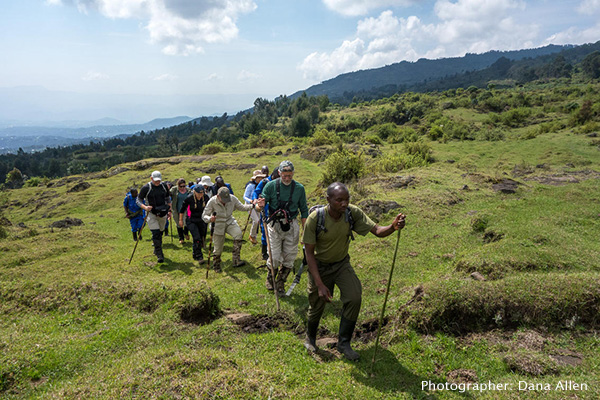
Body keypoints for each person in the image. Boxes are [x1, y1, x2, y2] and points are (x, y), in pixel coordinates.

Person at [302, 182, 406, 360]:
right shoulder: (315, 218)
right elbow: (309, 253)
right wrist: (319, 284)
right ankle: (310, 338)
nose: (344, 204)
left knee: (354, 296)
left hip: (342, 264)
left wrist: (393, 226)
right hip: (319, 266)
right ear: (328, 200)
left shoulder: (352, 213)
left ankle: (344, 343)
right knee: (317, 303)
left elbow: (377, 231)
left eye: (347, 199)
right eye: (339, 200)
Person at [260, 160, 308, 294]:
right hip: (274, 225)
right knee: (274, 256)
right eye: (284, 175)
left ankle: (281, 282)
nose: (287, 178)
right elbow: (260, 204)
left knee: (290, 257)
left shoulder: (299, 188)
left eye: (289, 175)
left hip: (292, 225)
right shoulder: (270, 186)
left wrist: (305, 231)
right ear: (279, 173)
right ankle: (271, 277)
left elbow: (304, 210)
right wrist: (260, 204)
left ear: (293, 174)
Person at [202, 187, 263, 272]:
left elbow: (242, 207)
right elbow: (204, 215)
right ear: (218, 196)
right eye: (223, 199)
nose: (225, 201)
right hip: (217, 224)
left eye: (226, 199)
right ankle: (216, 265)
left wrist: (253, 206)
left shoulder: (232, 198)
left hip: (229, 221)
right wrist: (210, 219)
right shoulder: (212, 201)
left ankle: (236, 260)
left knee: (238, 234)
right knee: (218, 248)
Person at [136, 171, 172, 263]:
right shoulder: (146, 188)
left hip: (163, 213)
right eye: (155, 180)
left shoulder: (164, 186)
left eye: (159, 180)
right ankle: (160, 255)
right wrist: (145, 207)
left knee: (160, 232)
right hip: (151, 213)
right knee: (155, 233)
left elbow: (167, 197)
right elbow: (138, 200)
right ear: (151, 178)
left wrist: (169, 208)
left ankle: (157, 248)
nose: (157, 182)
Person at [253, 167, 280, 263]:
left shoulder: (280, 183)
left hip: (276, 210)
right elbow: (256, 192)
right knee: (265, 230)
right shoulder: (264, 182)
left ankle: (275, 250)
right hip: (265, 210)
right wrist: (255, 200)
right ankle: (265, 252)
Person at [179, 185, 210, 264]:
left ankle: (195, 253)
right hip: (191, 220)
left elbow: (210, 208)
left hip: (202, 220)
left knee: (201, 236)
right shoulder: (189, 198)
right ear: (194, 192)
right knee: (197, 237)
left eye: (202, 193)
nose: (200, 195)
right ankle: (199, 256)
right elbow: (182, 210)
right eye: (198, 193)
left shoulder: (206, 198)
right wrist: (181, 220)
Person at [243, 170, 266, 245]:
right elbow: (245, 196)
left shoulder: (261, 185)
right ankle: (251, 236)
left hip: (257, 205)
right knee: (256, 220)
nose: (260, 179)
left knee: (259, 220)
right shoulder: (250, 185)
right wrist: (251, 201)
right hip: (249, 205)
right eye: (259, 177)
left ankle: (254, 237)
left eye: (261, 177)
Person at [170, 178, 191, 244]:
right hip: (176, 209)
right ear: (178, 185)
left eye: (184, 186)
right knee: (178, 224)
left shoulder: (188, 190)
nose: (182, 187)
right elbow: (168, 195)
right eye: (180, 186)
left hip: (186, 209)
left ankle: (186, 233)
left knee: (185, 222)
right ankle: (181, 238)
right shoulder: (174, 190)